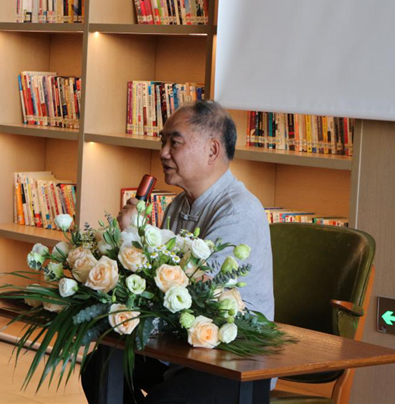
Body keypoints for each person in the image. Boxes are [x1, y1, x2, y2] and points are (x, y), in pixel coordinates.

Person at [82, 100, 274, 404]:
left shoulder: (239, 210)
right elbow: (160, 286)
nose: (163, 153)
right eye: (163, 142)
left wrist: (139, 235)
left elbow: (201, 293)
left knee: (167, 399)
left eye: (175, 142)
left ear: (212, 150)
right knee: (100, 368)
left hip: (232, 357)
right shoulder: (178, 204)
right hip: (181, 345)